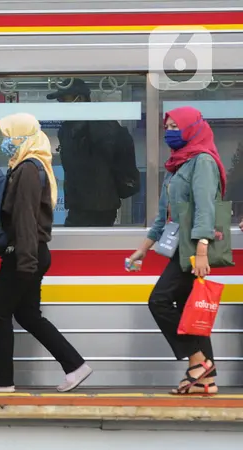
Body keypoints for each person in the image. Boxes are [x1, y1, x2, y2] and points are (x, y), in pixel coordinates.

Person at [0, 113, 92, 394]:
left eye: (9, 136)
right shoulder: (34, 165)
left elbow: (25, 218)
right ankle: (75, 366)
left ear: (23, 137)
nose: (6, 142)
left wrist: (24, 261)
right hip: (32, 251)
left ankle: (2, 380)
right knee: (27, 314)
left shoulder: (27, 169)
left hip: (25, 253)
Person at [128, 106, 226, 395]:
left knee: (159, 301)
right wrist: (143, 250)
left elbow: (206, 209)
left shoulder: (203, 162)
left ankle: (198, 362)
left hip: (195, 248)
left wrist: (203, 251)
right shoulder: (178, 164)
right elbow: (163, 217)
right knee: (186, 310)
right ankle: (207, 381)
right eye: (167, 127)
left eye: (175, 127)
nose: (169, 132)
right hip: (179, 247)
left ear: (192, 128)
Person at [47, 78, 138, 227]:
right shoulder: (67, 128)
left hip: (99, 206)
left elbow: (110, 161)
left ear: (80, 99)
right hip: (78, 204)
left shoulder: (102, 125)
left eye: (64, 99)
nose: (61, 104)